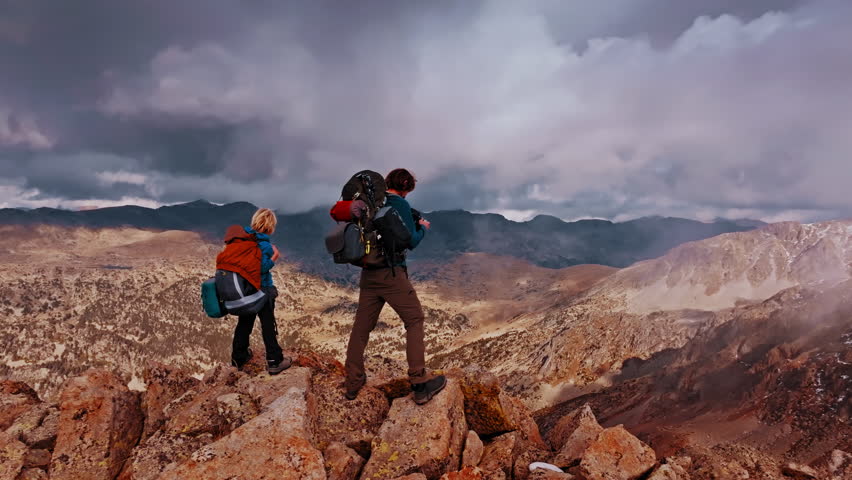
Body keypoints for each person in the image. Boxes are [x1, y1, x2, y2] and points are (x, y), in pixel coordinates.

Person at [344, 168, 447, 404]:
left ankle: (352, 383)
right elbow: (411, 240)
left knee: (361, 328)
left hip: (368, 273)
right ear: (407, 187)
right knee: (415, 320)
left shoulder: (369, 202)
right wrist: (422, 227)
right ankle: (420, 384)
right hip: (390, 273)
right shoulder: (397, 203)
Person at [218, 208, 291, 375]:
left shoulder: (243, 241)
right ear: (270, 226)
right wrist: (274, 257)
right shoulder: (264, 245)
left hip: (247, 289)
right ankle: (274, 361)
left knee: (244, 323)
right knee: (267, 324)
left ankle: (239, 357)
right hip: (262, 289)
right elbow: (261, 268)